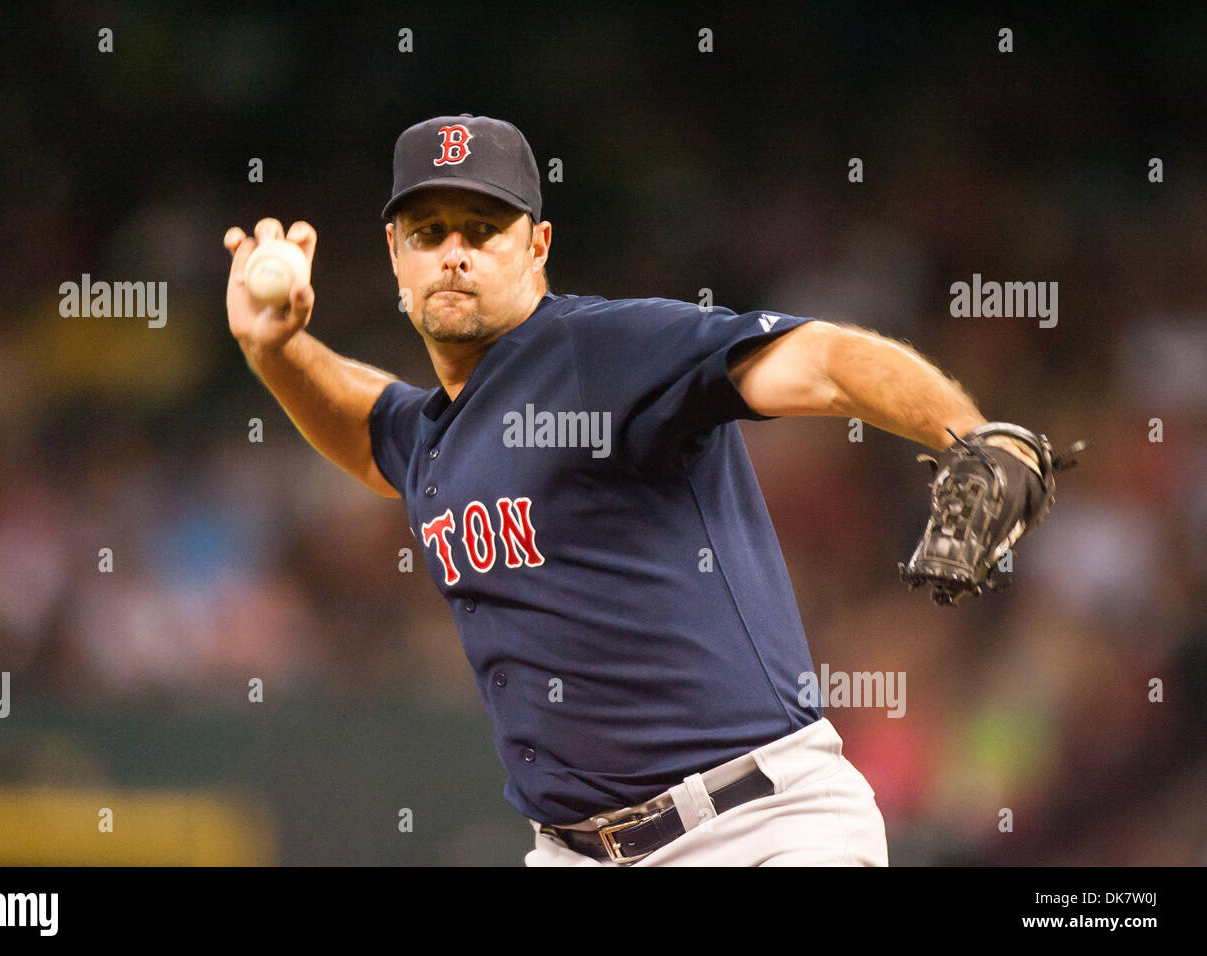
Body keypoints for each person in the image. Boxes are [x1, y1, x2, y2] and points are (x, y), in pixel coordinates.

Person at [223, 114, 1045, 866]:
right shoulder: (439, 433)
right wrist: (276, 350)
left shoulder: (606, 351)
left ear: (537, 246)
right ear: (395, 253)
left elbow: (823, 359)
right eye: (429, 232)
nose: (455, 253)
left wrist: (967, 432)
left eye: (483, 228)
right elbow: (370, 432)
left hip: (755, 830)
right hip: (572, 853)